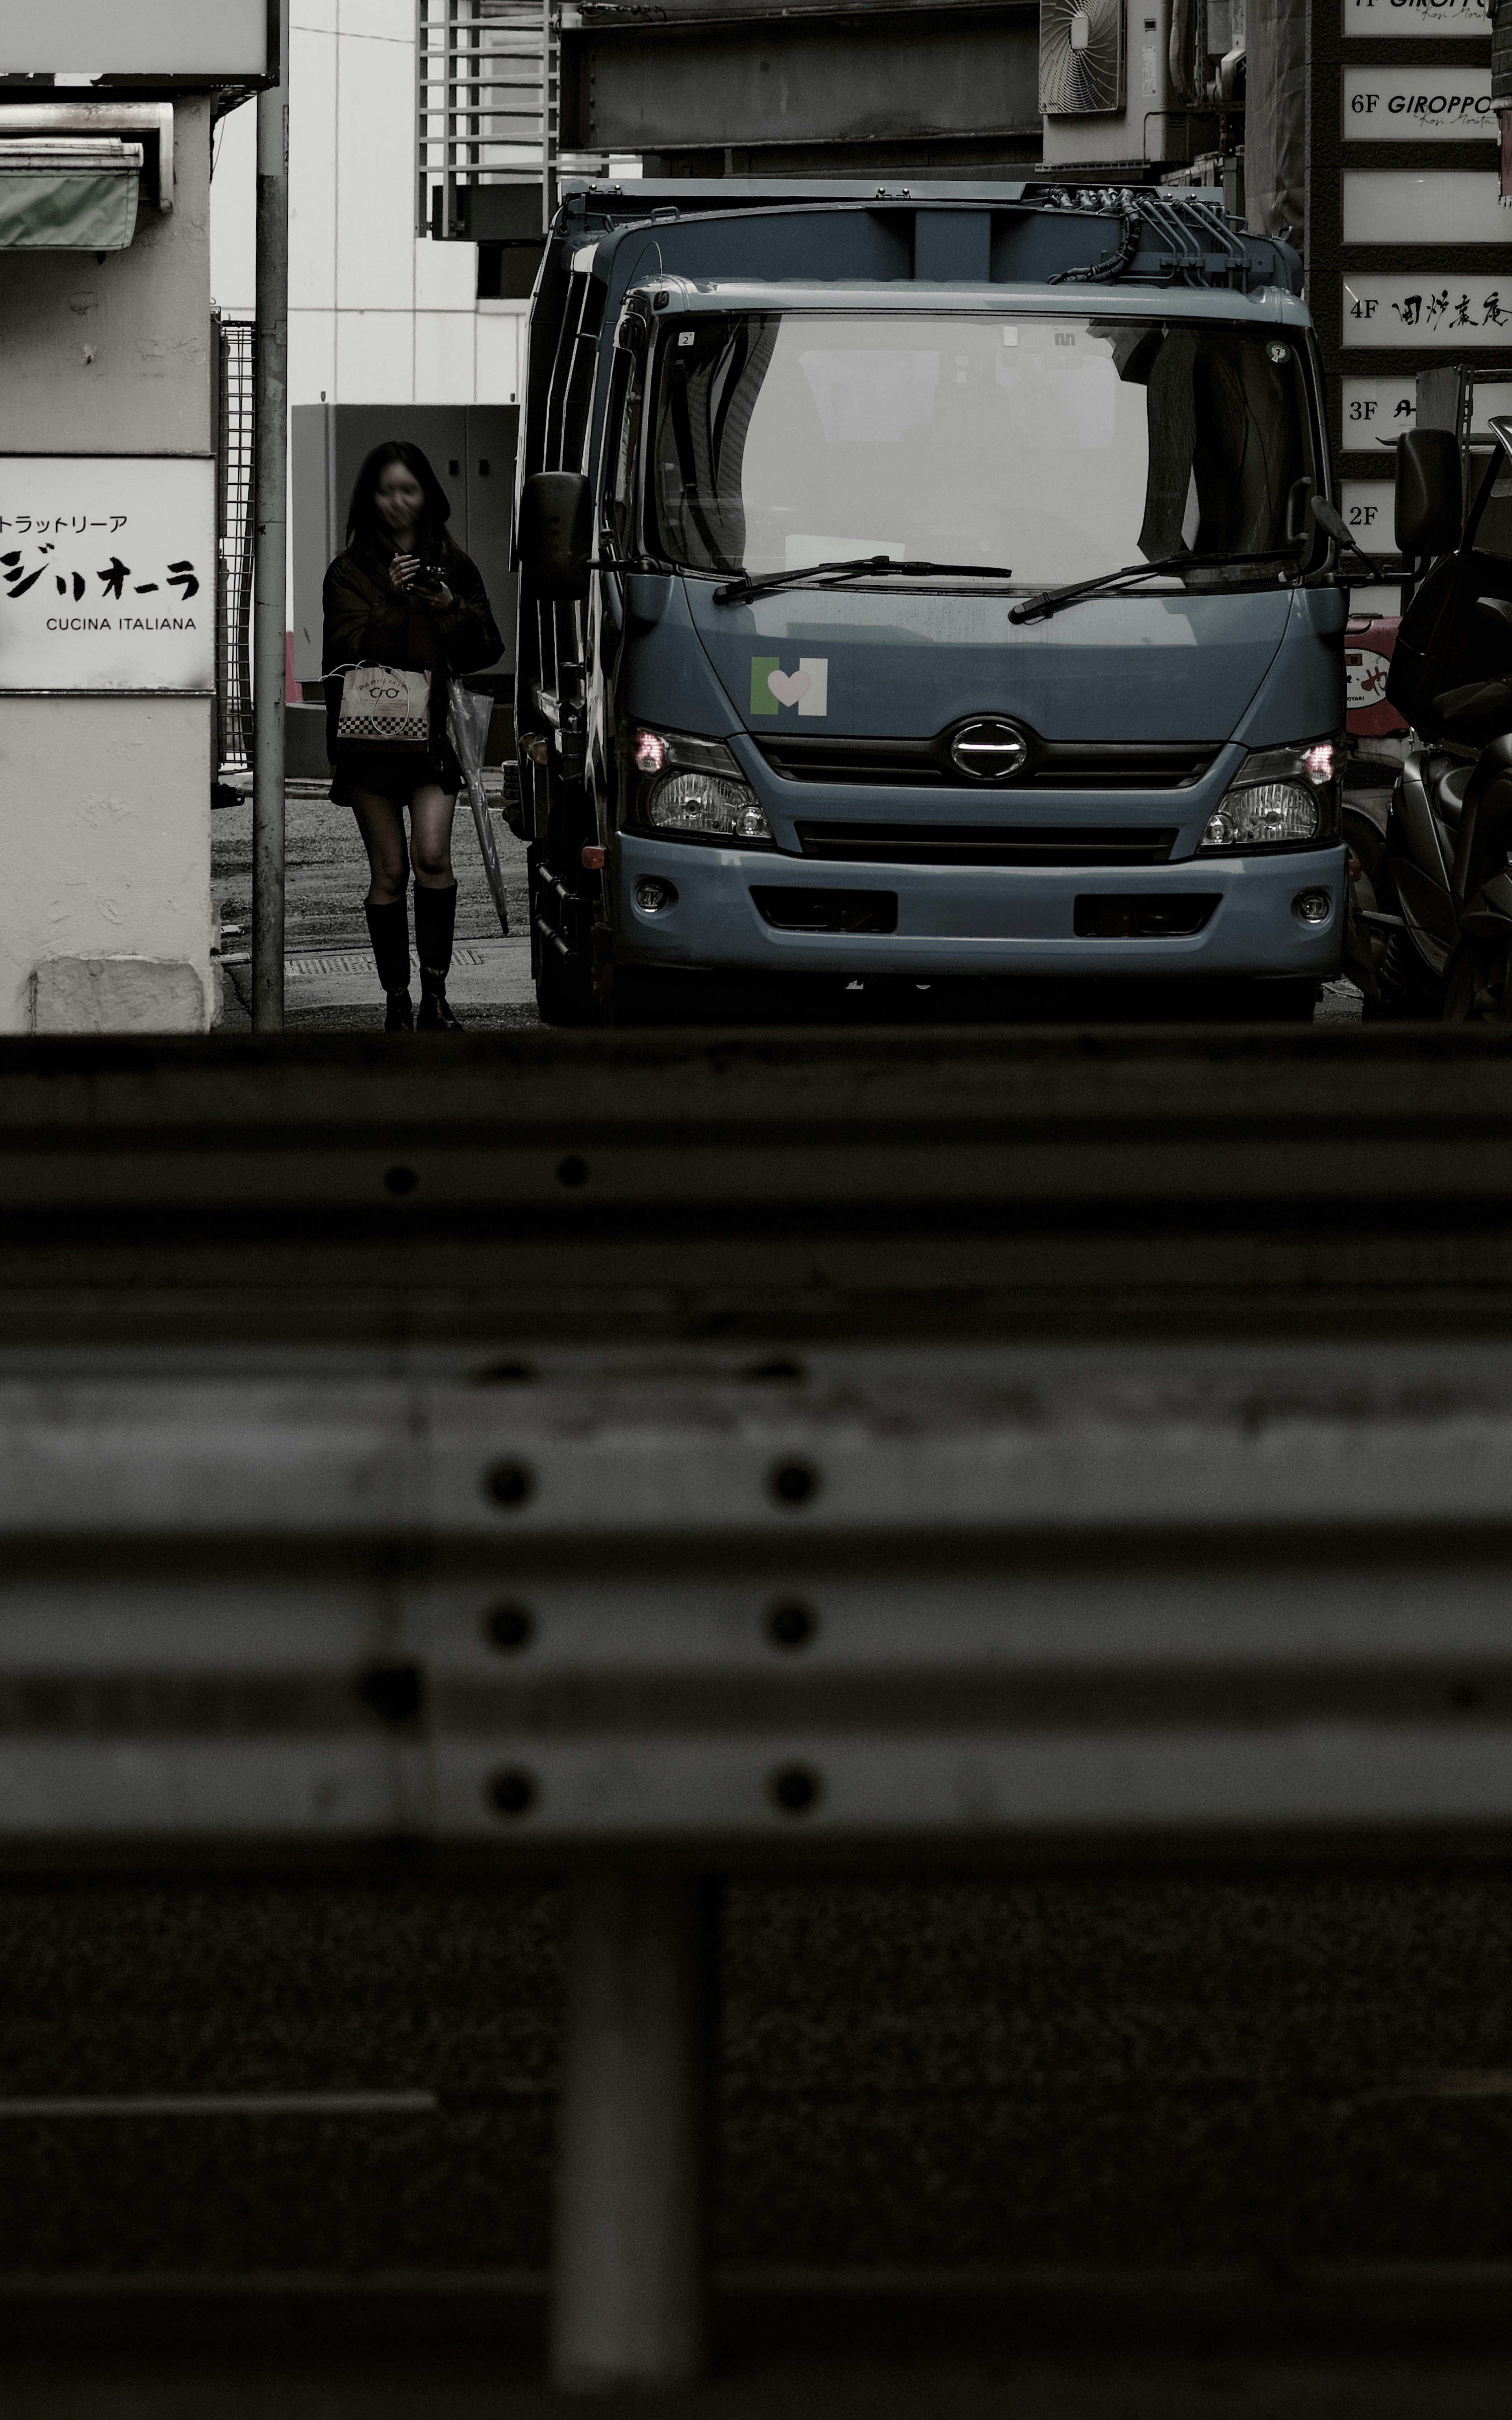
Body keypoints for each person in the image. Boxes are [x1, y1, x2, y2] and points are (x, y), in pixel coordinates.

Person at [322, 441, 503, 1031]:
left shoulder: (454, 562)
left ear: (427, 494)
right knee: (391, 872)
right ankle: (396, 1001)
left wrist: (449, 605)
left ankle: (435, 997)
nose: (398, 502)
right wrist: (392, 601)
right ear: (368, 500)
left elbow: (486, 648)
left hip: (434, 741)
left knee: (432, 857)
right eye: (385, 490)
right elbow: (345, 653)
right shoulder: (349, 571)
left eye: (409, 489)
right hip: (369, 744)